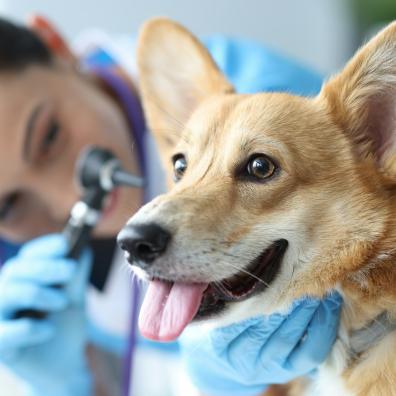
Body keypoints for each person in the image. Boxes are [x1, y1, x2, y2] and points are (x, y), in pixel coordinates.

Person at [0, 14, 342, 396]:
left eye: (49, 136)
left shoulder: (267, 109)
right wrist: (60, 386)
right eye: (9, 206)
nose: (69, 199)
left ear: (55, 45)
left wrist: (222, 375)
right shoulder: (12, 259)